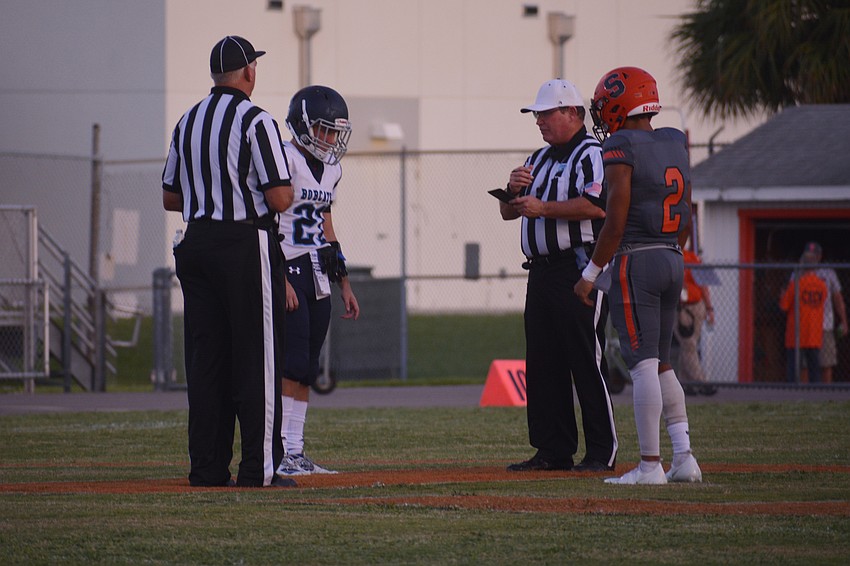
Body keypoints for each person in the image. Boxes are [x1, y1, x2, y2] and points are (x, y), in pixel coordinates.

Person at [162, 36, 295, 488]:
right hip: (242, 244)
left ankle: (206, 468)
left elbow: (169, 196)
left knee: (207, 359)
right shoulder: (257, 120)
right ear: (249, 72)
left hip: (196, 243)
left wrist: (209, 193)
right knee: (257, 358)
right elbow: (279, 197)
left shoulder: (188, 121)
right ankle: (259, 469)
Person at [575, 66, 702, 484]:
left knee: (643, 364)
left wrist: (590, 273)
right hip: (672, 255)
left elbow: (615, 219)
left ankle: (650, 465)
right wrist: (672, 251)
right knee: (664, 363)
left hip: (638, 259)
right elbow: (686, 213)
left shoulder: (621, 144)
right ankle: (684, 457)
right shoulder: (673, 141)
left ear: (618, 102)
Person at [499, 79, 618, 473]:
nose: (539, 121)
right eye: (537, 115)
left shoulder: (592, 154)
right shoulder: (539, 157)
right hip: (540, 272)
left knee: (585, 359)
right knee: (544, 363)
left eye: (546, 113)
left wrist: (543, 208)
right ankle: (553, 450)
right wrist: (512, 193)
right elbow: (511, 212)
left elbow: (597, 207)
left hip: (577, 266)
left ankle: (602, 451)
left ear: (572, 112)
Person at [276, 85, 360, 476]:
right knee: (290, 364)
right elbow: (269, 221)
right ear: (304, 124)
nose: (330, 139)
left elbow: (327, 225)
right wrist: (279, 277)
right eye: (324, 129)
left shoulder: (333, 169)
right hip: (289, 263)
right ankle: (277, 452)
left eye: (334, 131)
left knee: (307, 366)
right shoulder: (285, 158)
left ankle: (296, 451)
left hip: (317, 269)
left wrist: (343, 281)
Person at [779, 245, 828, 383]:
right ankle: (815, 395)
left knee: (794, 368)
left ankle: (793, 395)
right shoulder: (822, 285)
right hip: (814, 333)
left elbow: (784, 306)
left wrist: (783, 294)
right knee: (814, 368)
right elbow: (822, 302)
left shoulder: (796, 284)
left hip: (796, 334)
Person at [673, 246, 716, 395]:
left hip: (696, 305)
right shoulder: (671, 256)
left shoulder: (692, 258)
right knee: (688, 344)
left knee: (689, 346)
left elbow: (703, 285)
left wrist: (709, 308)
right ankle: (701, 381)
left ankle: (685, 383)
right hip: (680, 308)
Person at [804, 242, 848, 383]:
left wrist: (844, 321)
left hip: (825, 325)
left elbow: (837, 298)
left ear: (820, 256)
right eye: (808, 255)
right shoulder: (798, 272)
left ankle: (825, 397)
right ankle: (801, 397)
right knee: (804, 365)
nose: (811, 258)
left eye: (814, 255)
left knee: (826, 363)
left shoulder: (828, 273)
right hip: (804, 327)